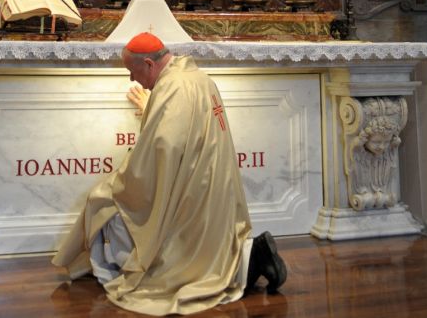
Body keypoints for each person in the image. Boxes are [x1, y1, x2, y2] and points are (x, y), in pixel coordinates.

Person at [52, 32, 286, 316]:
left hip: (191, 194)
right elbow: (180, 130)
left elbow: (163, 149)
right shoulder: (200, 79)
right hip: (216, 192)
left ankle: (128, 267)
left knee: (105, 202)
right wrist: (149, 107)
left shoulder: (171, 88)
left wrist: (124, 179)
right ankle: (252, 257)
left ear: (149, 64)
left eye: (132, 71)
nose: (131, 79)